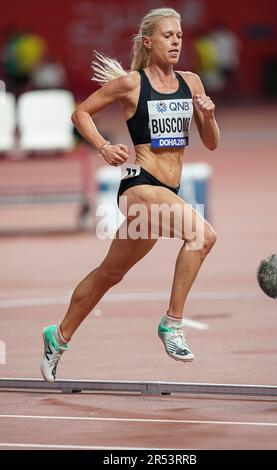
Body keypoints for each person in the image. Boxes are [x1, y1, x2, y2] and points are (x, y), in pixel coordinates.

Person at [40, 7, 219, 382]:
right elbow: (80, 113)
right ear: (148, 42)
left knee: (110, 272)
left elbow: (212, 143)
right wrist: (104, 147)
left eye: (179, 36)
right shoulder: (131, 84)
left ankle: (57, 337)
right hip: (138, 187)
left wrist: (210, 115)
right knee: (202, 235)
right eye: (168, 36)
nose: (175, 42)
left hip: (167, 191)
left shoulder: (192, 83)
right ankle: (172, 324)